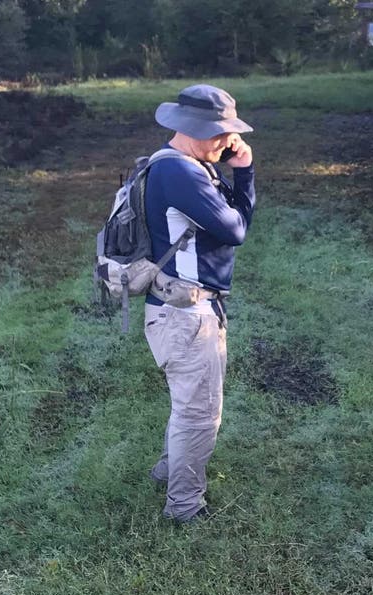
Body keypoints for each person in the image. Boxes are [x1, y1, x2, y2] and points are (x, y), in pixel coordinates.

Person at [142, 84, 255, 523]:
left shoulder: (187, 166)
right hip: (186, 316)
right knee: (199, 416)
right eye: (220, 133)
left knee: (188, 405)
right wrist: (243, 175)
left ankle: (168, 470)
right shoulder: (181, 174)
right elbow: (235, 230)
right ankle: (184, 507)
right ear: (190, 129)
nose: (229, 142)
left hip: (180, 312)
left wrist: (241, 170)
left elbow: (237, 222)